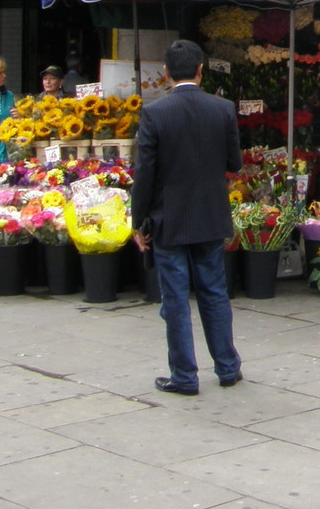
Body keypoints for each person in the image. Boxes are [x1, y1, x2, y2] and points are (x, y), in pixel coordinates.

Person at [130, 38, 244, 395]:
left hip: (170, 220)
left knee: (175, 299)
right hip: (210, 216)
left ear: (165, 73)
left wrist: (138, 221)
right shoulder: (222, 109)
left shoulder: (155, 113)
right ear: (200, 70)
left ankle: (184, 375)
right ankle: (227, 368)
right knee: (214, 293)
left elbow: (144, 174)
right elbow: (235, 163)